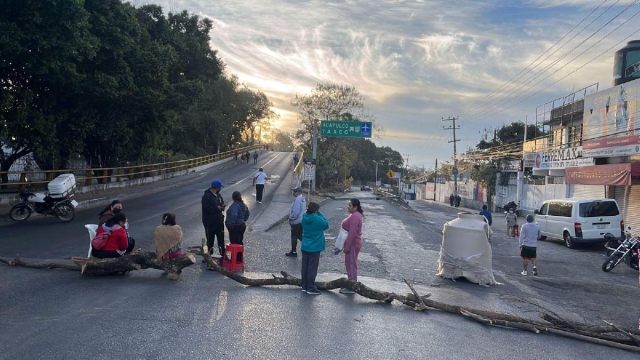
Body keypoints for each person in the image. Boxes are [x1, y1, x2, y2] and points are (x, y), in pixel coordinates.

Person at [300, 202, 328, 295]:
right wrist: (320, 214)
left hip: (305, 245)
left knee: (305, 266)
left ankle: (304, 285)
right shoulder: (318, 218)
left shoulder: (304, 217)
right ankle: (311, 287)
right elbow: (326, 225)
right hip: (315, 247)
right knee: (312, 267)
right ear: (316, 210)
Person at [339, 198, 364, 294]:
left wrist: (347, 246)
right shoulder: (356, 215)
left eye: (350, 205)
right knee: (350, 263)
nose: (348, 207)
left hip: (352, 243)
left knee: (351, 263)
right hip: (353, 243)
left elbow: (352, 233)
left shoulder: (355, 216)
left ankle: (352, 285)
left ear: (355, 207)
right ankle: (350, 282)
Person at [202, 180, 226, 264]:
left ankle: (223, 255)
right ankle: (209, 256)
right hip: (210, 222)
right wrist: (217, 208)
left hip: (219, 221)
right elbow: (206, 209)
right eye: (220, 187)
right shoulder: (206, 196)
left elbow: (221, 203)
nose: (221, 189)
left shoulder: (218, 195)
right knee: (210, 240)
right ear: (217, 188)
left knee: (221, 239)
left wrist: (222, 207)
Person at [225, 191, 250, 262]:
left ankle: (235, 259)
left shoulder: (234, 206)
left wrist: (230, 225)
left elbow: (233, 216)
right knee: (240, 242)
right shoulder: (243, 205)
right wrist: (243, 220)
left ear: (233, 198)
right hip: (242, 225)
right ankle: (239, 258)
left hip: (236, 227)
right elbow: (247, 214)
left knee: (234, 243)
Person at [286, 187, 306, 257]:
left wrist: (291, 218)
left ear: (298, 192)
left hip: (296, 221)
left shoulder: (298, 200)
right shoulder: (302, 199)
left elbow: (296, 211)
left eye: (294, 191)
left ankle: (293, 252)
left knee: (294, 236)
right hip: (301, 220)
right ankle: (308, 246)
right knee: (299, 235)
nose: (293, 193)